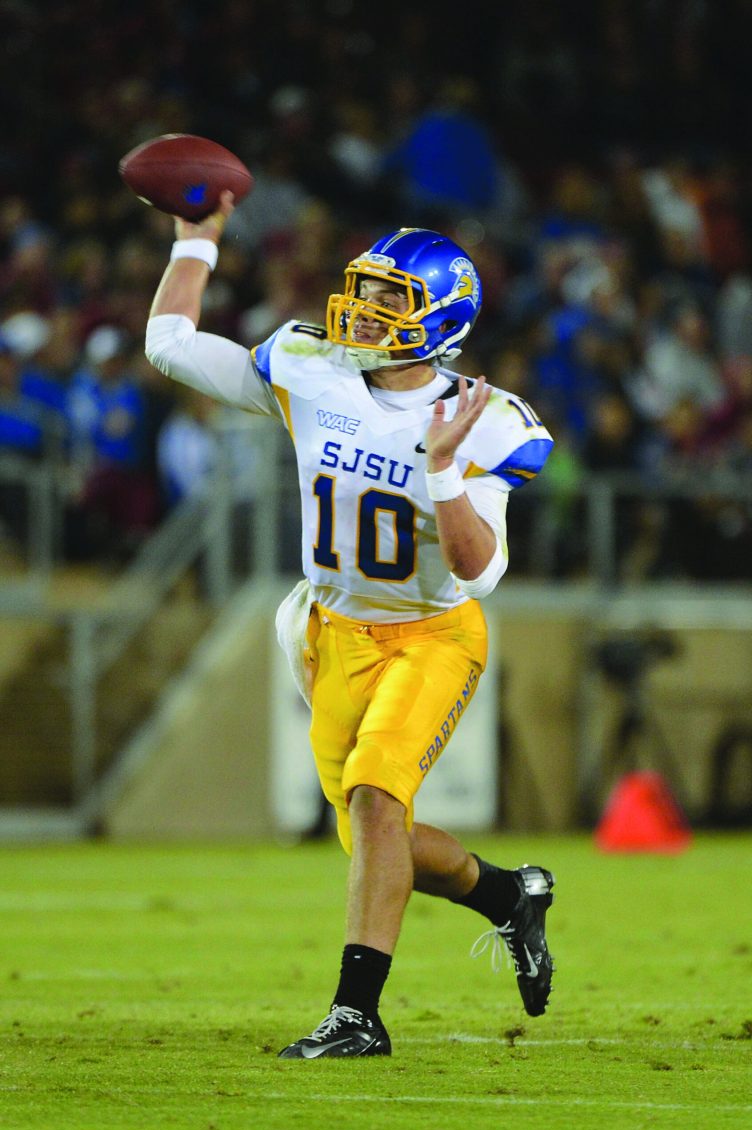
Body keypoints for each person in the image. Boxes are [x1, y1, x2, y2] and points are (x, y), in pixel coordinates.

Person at [145, 191, 557, 1059]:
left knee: (375, 800)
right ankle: (510, 896)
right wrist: (197, 243)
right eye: (364, 288)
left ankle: (356, 1015)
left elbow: (480, 569)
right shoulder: (311, 366)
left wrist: (443, 471)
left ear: (441, 317)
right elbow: (171, 346)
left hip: (431, 633)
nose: (364, 309)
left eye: (391, 297)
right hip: (329, 631)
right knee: (380, 836)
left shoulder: (486, 419)